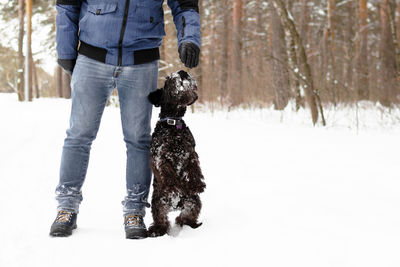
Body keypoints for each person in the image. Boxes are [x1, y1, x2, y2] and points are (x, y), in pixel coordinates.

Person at [49, 0, 201, 239]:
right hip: (92, 56)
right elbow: (67, 4)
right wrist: (65, 50)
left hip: (141, 61)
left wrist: (189, 37)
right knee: (79, 134)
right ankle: (66, 207)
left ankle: (135, 210)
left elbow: (185, 4)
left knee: (139, 139)